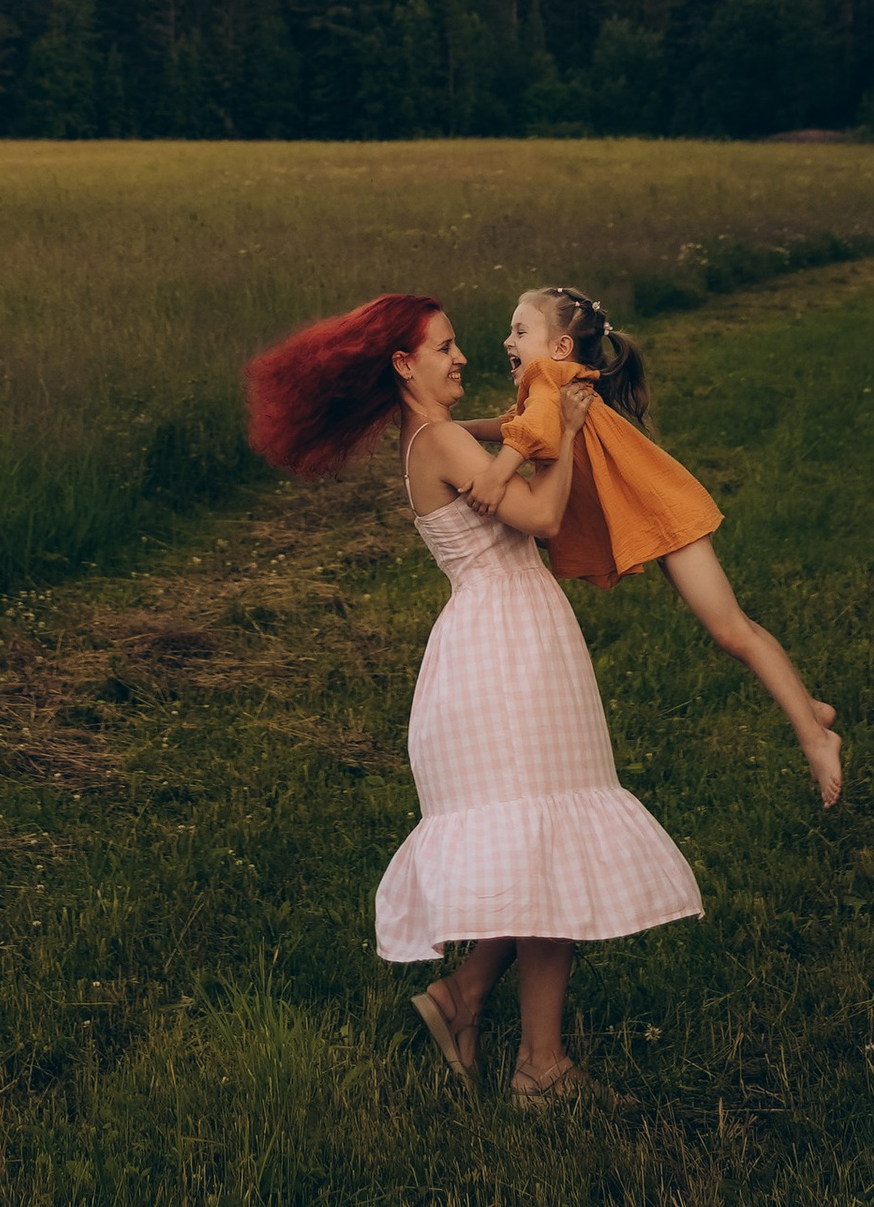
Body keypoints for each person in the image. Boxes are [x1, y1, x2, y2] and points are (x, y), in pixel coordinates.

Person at [244, 292, 701, 1101]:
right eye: (446, 348)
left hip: (509, 640)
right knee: (549, 843)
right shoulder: (440, 442)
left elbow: (504, 436)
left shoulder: (440, 436)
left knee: (538, 847)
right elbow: (543, 517)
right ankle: (540, 1068)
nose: (462, 358)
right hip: (504, 653)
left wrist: (544, 412)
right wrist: (555, 435)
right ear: (403, 364)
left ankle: (465, 1000)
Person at [469, 285, 842, 808]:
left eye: (520, 330)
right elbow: (519, 426)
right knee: (734, 630)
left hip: (663, 512)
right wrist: (457, 431)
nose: (507, 338)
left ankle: (816, 737)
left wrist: (497, 473)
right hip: (653, 508)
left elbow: (527, 433)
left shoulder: (546, 378)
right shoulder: (546, 383)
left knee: (733, 631)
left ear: (558, 349)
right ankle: (811, 710)